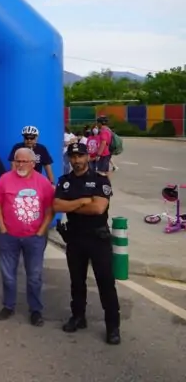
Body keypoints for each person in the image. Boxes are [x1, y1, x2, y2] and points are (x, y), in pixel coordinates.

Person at [53, 142, 120, 345]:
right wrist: (83, 201)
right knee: (77, 282)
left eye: (80, 156)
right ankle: (78, 317)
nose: (76, 161)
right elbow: (56, 205)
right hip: (74, 237)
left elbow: (98, 208)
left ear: (87, 157)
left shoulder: (100, 180)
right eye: (72, 157)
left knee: (106, 283)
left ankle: (112, 326)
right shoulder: (65, 181)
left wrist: (71, 206)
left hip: (97, 238)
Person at [0, 147, 55, 326]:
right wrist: (2, 227)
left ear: (33, 163)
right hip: (8, 236)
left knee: (34, 276)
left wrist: (42, 230)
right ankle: (8, 306)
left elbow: (50, 209)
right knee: (8, 275)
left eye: (24, 161)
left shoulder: (43, 183)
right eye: (17, 160)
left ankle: (35, 310)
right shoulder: (5, 179)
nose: (20, 164)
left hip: (34, 238)